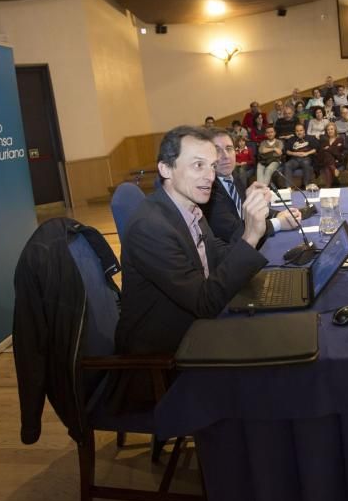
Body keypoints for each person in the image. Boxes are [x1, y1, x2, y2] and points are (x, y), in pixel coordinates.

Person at [107, 126, 270, 414]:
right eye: (198, 165)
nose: (210, 176)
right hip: (163, 355)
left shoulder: (188, 206)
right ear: (166, 169)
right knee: (266, 361)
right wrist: (251, 237)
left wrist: (248, 225)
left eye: (211, 166)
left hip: (190, 326)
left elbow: (217, 254)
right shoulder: (151, 227)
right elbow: (205, 302)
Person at [204, 128, 300, 244]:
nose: (226, 156)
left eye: (229, 149)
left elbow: (246, 211)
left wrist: (277, 214)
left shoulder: (233, 176)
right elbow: (236, 232)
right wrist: (279, 223)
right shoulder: (207, 189)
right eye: (217, 150)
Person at [282, 123, 319, 187]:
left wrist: (306, 153)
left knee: (306, 163)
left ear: (304, 130)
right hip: (294, 159)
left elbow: (317, 148)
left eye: (301, 130)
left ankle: (306, 185)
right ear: (295, 131)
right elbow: (286, 151)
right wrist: (294, 153)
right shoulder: (291, 139)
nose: (299, 132)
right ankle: (288, 188)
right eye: (297, 131)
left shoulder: (310, 138)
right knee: (287, 165)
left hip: (306, 158)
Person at [316, 122, 346, 187]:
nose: (330, 131)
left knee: (327, 158)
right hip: (326, 161)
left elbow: (338, 153)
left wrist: (328, 149)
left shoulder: (340, 139)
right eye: (328, 130)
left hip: (337, 160)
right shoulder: (324, 140)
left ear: (335, 130)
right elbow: (320, 154)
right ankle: (334, 169)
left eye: (331, 129)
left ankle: (328, 187)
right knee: (326, 158)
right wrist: (330, 150)